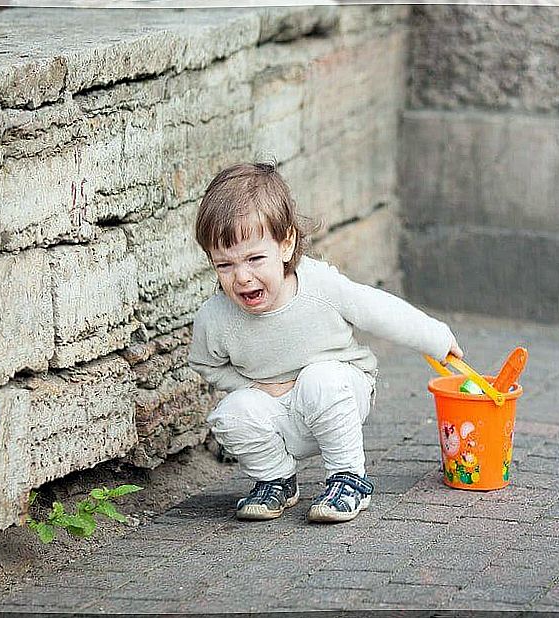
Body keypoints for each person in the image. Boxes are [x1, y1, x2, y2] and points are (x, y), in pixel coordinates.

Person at [187, 161, 464, 524]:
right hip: (279, 408)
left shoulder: (320, 287)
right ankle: (276, 480)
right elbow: (206, 364)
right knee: (231, 415)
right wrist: (253, 386)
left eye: (255, 258)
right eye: (225, 265)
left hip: (341, 392)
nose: (242, 277)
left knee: (319, 379)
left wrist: (436, 338)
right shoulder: (216, 317)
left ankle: (348, 478)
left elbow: (378, 310)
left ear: (285, 244)